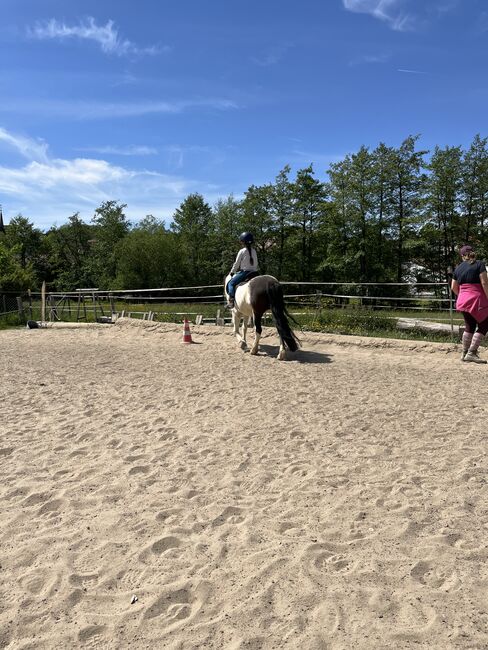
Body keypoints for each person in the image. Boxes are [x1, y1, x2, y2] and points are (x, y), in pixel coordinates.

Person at [451, 244, 488, 363]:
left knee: (470, 325)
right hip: (476, 299)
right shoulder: (479, 264)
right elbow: (484, 283)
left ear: (462, 255)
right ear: (473, 253)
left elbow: (453, 287)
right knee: (485, 324)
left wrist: (463, 295)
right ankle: (472, 352)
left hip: (462, 300)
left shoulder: (458, 268)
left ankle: (464, 353)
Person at [226, 232, 258, 308]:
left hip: (245, 273)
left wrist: (232, 272)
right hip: (255, 272)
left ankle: (231, 301)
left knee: (231, 283)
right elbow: (256, 263)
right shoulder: (254, 251)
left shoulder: (242, 251)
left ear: (243, 242)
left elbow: (236, 264)